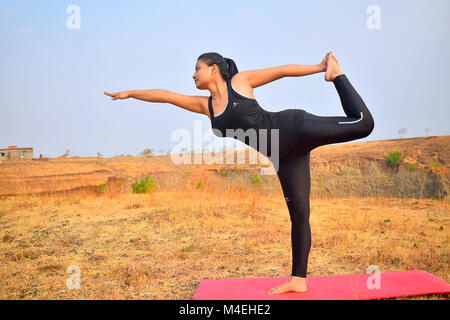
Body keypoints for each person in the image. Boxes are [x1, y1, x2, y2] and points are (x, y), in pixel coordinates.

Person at [104, 51, 374, 295]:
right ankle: (298, 279)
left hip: (294, 127)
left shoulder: (240, 83)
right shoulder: (206, 106)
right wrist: (130, 93)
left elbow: (282, 70)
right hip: (284, 158)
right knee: (300, 216)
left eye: (197, 68)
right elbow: (166, 96)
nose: (193, 74)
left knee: (363, 124)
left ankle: (337, 74)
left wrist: (320, 67)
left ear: (213, 69)